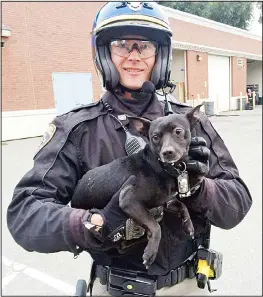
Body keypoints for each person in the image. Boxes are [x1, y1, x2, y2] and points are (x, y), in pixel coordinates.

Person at [7, 2, 252, 296]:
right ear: (104, 54)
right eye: (122, 44)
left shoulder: (189, 123)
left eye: (144, 45)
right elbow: (25, 213)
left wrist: (199, 189)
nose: (134, 56)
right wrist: (93, 224)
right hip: (112, 288)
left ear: (159, 55)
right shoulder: (76, 128)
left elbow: (238, 203)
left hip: (186, 287)